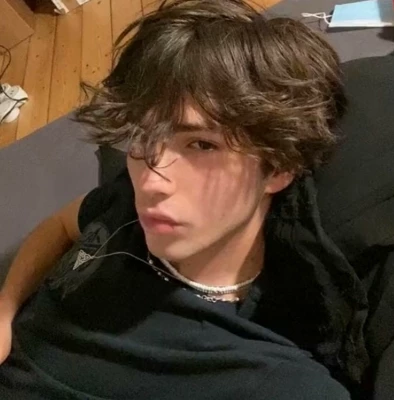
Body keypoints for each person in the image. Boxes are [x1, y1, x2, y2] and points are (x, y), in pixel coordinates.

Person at [0, 0, 360, 398]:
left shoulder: (275, 378)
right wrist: (5, 309)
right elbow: (61, 225)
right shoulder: (128, 199)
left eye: (202, 145)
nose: (150, 181)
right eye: (144, 136)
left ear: (278, 168)